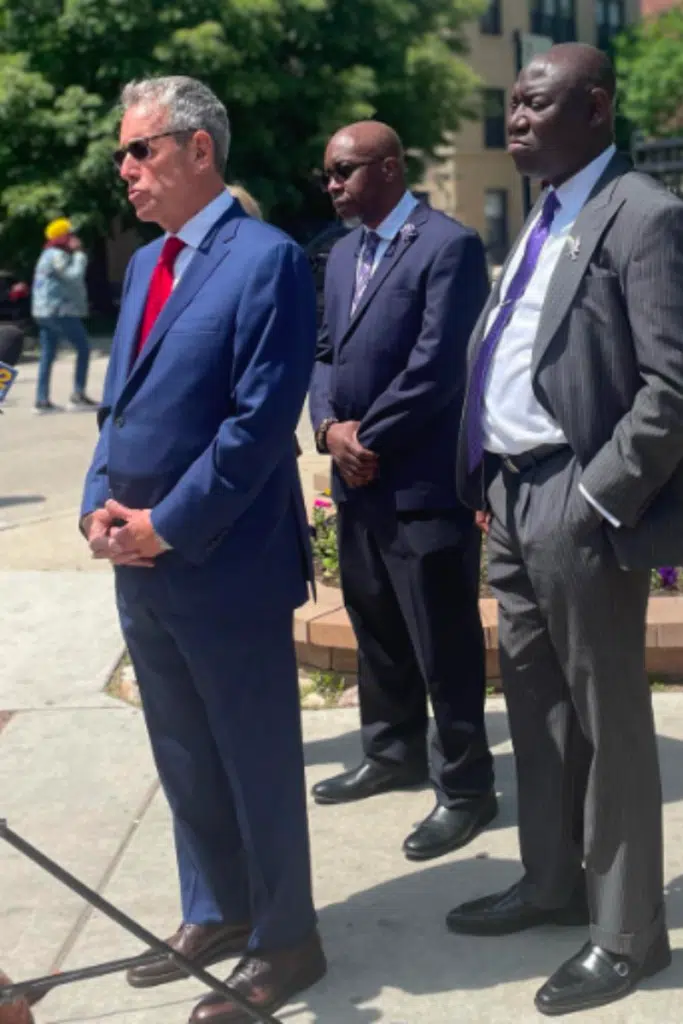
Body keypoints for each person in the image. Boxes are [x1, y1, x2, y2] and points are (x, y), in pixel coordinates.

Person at [80, 76, 325, 1024]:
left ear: (198, 150)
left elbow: (256, 425)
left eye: (140, 150)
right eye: (122, 156)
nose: (126, 170)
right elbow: (120, 407)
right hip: (136, 561)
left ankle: (287, 939)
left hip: (221, 559)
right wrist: (99, 505)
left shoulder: (266, 262)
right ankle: (216, 909)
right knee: (182, 749)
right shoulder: (146, 267)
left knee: (254, 754)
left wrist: (165, 525)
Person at [449, 43, 681, 1016]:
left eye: (533, 104)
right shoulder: (542, 216)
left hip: (575, 502)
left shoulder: (644, 216)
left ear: (592, 108)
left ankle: (627, 932)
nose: (513, 120)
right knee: (537, 714)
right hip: (509, 499)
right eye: (508, 104)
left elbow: (670, 384)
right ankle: (551, 883)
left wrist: (596, 495)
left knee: (607, 719)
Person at [309, 121, 496, 861]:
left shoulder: (447, 247)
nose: (331, 184)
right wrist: (328, 429)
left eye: (344, 171)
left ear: (389, 167)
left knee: (440, 640)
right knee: (377, 624)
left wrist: (367, 438)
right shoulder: (339, 255)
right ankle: (391, 752)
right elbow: (322, 353)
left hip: (419, 483)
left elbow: (437, 366)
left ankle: (466, 788)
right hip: (356, 481)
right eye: (326, 172)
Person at [30, 218, 97, 414]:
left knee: (48, 355)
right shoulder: (58, 255)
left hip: (43, 311)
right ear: (63, 236)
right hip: (60, 311)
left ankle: (42, 401)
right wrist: (79, 255)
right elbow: (73, 277)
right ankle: (78, 396)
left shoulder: (46, 254)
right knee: (83, 348)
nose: (74, 238)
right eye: (71, 234)